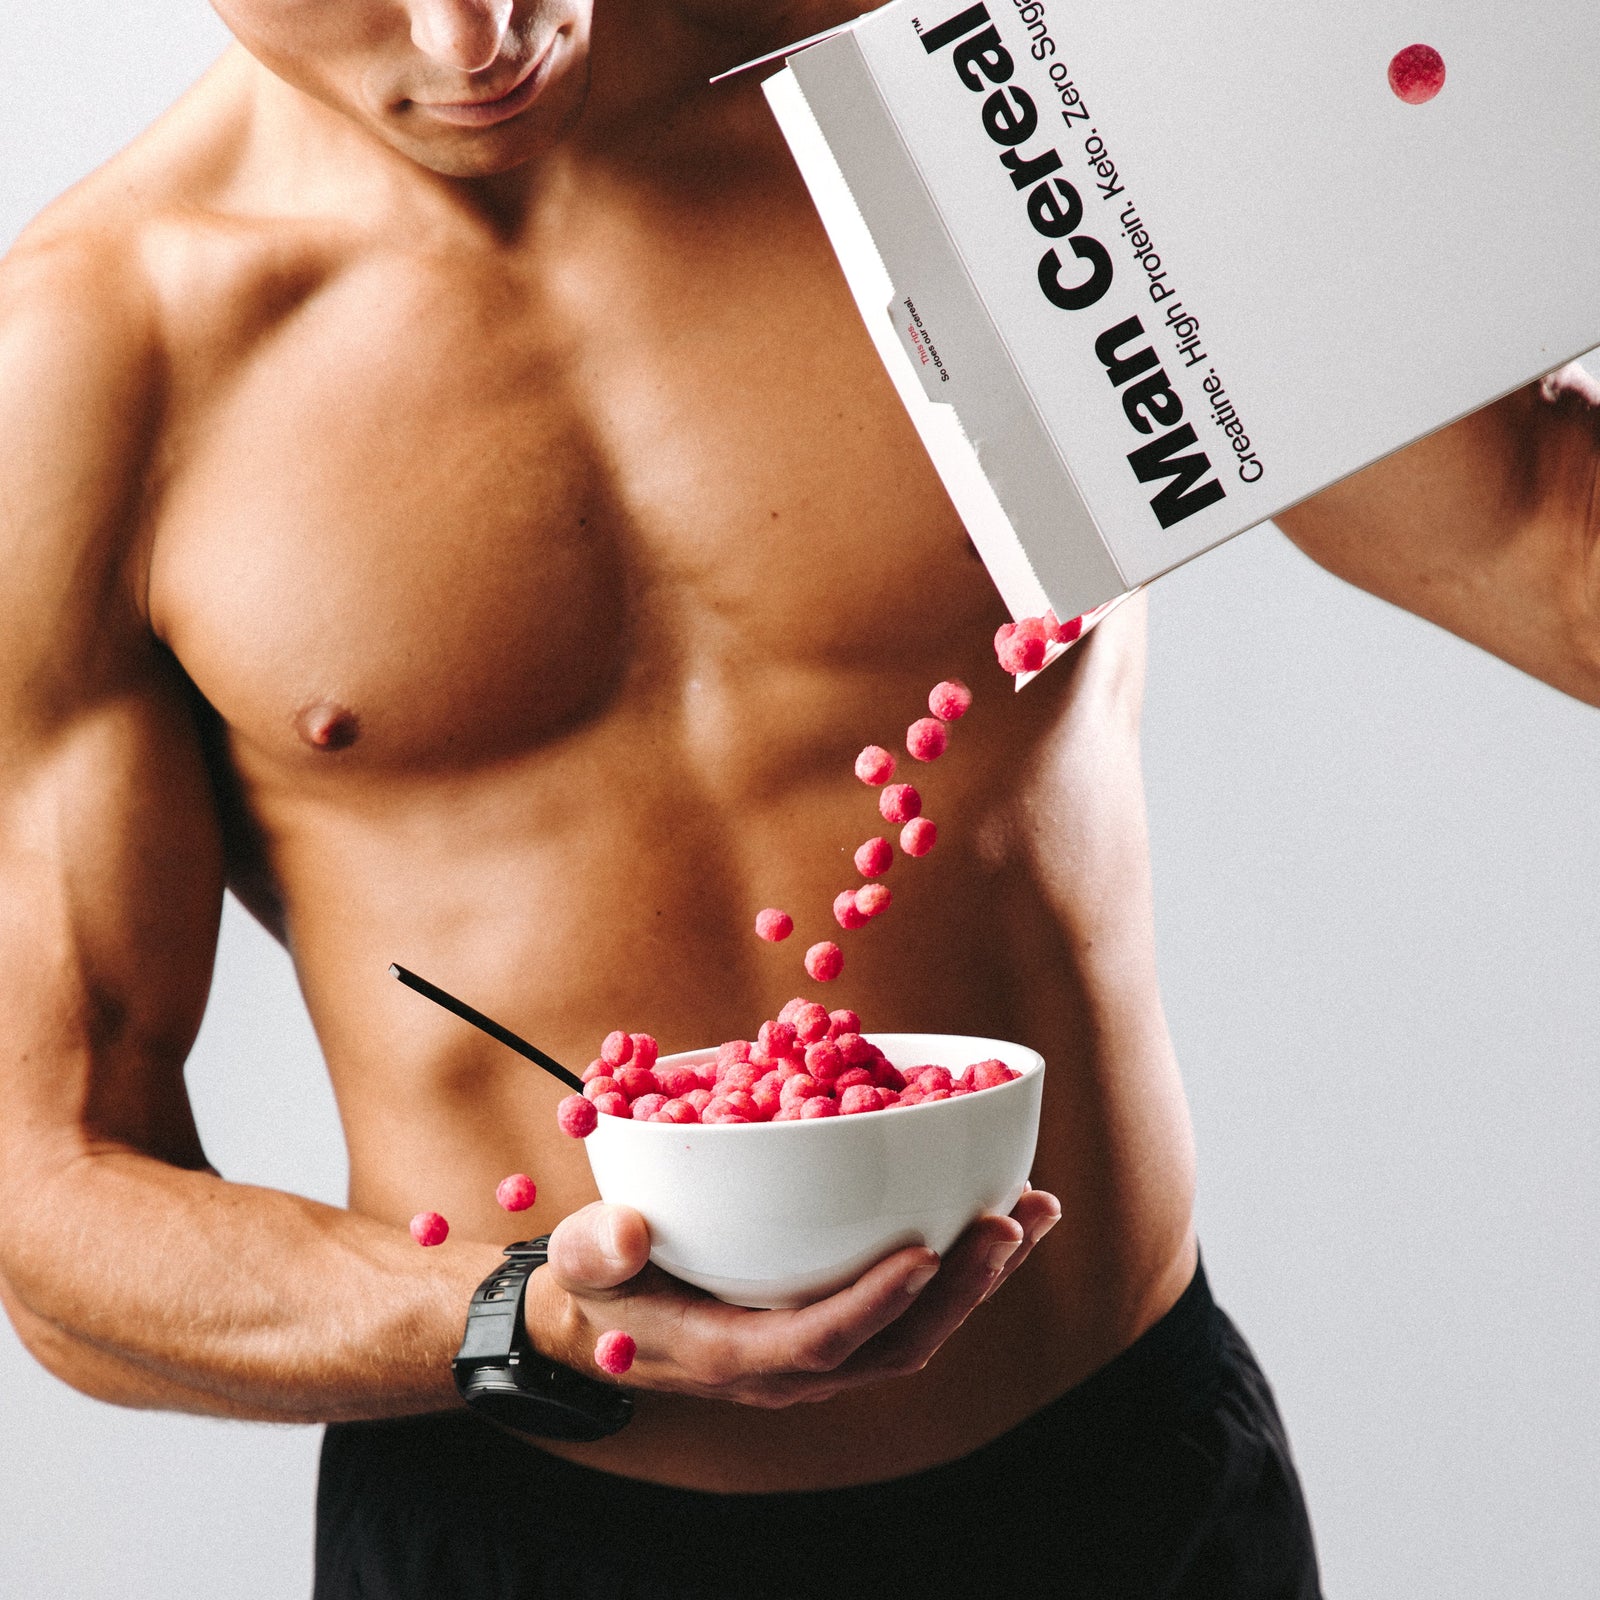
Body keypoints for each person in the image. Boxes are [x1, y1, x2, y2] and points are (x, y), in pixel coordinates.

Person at [0, 3, 1585, 1595]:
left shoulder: (991, 102)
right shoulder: (88, 362)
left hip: (1120, 1492)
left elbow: (1533, 548)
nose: (475, 34)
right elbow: (53, 1195)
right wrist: (506, 1319)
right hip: (529, 1536)